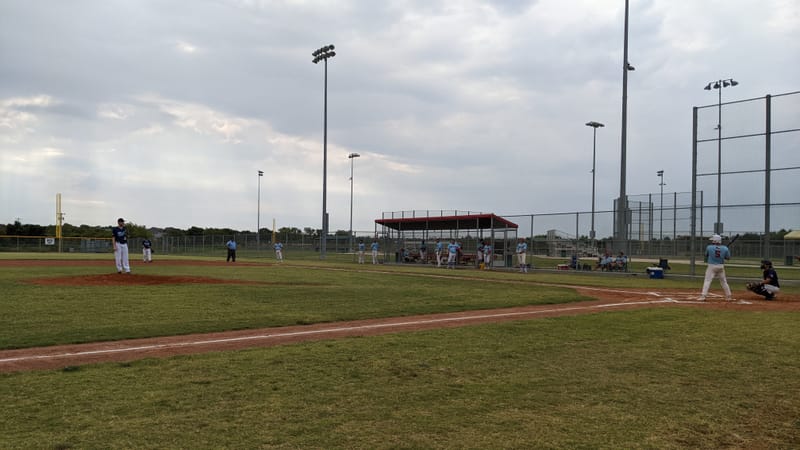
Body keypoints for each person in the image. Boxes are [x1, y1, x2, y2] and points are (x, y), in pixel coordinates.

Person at [699, 234, 732, 301]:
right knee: (724, 282)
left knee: (707, 281)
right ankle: (728, 296)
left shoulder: (709, 247)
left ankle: (703, 296)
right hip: (721, 267)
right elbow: (728, 258)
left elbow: (706, 255)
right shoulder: (725, 248)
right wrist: (723, 254)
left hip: (711, 266)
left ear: (715, 240)